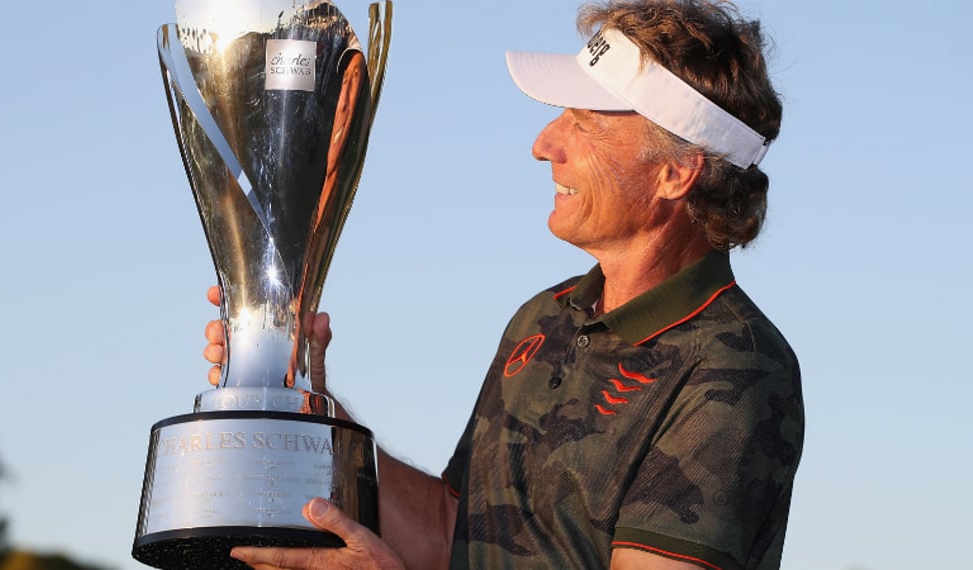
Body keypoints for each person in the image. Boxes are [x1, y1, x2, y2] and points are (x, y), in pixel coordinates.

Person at [203, 0, 804, 568]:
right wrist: (305, 409)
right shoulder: (544, 318)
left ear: (676, 172)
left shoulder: (737, 369)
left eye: (586, 123)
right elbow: (452, 529)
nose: (544, 145)